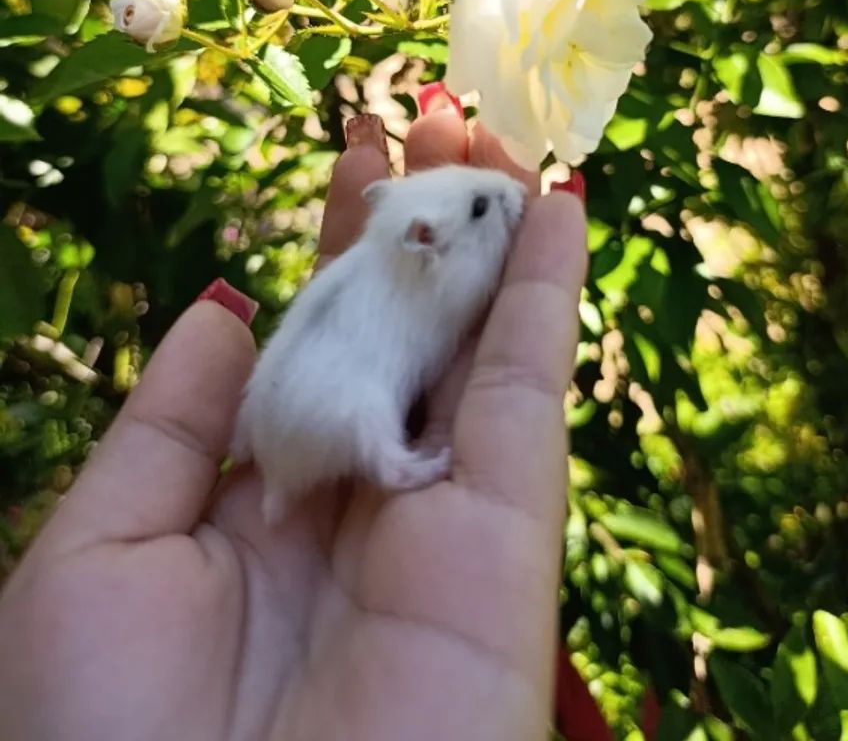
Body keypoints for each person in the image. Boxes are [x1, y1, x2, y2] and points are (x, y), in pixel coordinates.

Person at [0, 97, 588, 741]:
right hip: (326, 420)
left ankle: (341, 452)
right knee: (358, 402)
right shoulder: (429, 263)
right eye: (479, 205)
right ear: (425, 242)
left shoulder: (401, 254)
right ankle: (392, 463)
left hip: (280, 423)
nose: (502, 197)